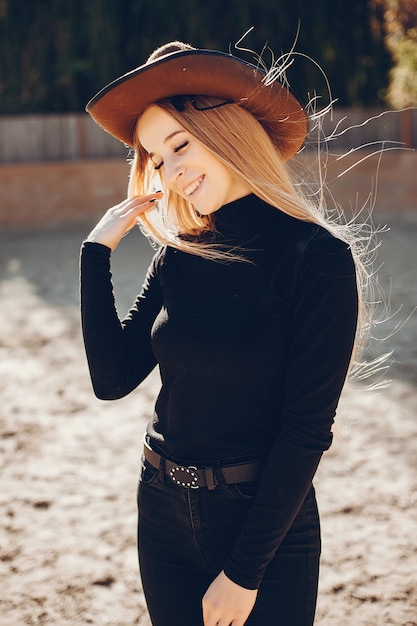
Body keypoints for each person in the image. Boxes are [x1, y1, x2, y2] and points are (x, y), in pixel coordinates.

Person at [80, 40, 360, 626]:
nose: (171, 171)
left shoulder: (316, 258)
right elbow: (111, 379)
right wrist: (95, 253)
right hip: (159, 508)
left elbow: (305, 431)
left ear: (230, 129)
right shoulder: (181, 254)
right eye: (156, 158)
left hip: (261, 524)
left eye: (179, 144)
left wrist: (243, 573)